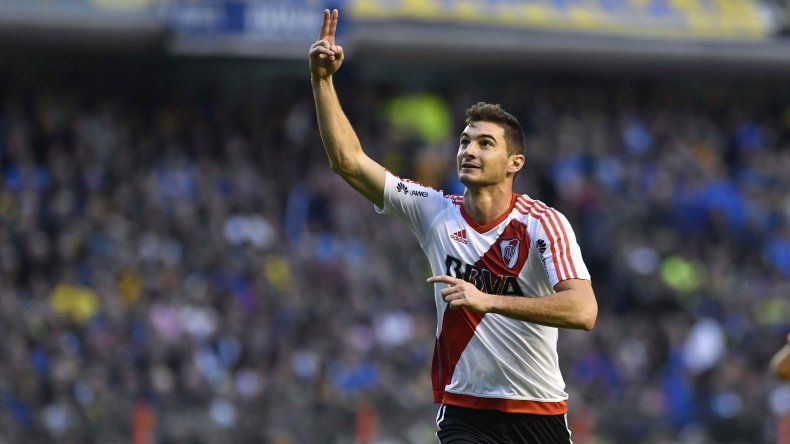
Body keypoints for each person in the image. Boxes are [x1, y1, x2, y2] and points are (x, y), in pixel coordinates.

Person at [309, 9, 598, 443]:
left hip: (539, 412)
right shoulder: (434, 211)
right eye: (465, 141)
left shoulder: (542, 224)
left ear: (514, 163)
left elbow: (583, 310)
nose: (469, 151)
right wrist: (322, 82)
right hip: (465, 410)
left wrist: (488, 301)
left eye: (486, 143)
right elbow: (348, 162)